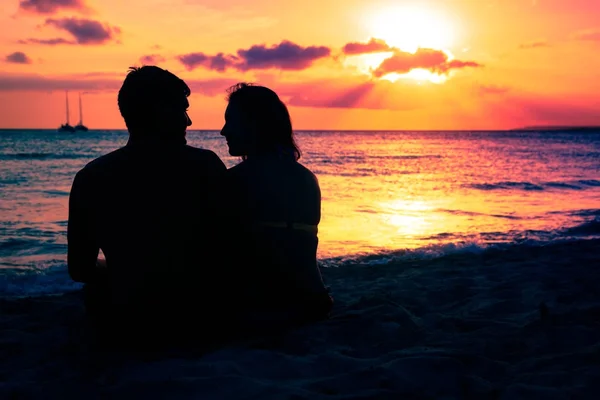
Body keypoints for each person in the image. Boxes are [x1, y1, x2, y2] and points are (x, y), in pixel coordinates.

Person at [67, 66, 227, 342]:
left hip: (127, 320)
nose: (188, 122)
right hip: (197, 319)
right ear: (162, 112)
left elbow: (80, 270)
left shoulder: (90, 178)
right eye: (182, 110)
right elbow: (231, 251)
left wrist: (125, 266)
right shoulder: (205, 167)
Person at [220, 82, 333, 330]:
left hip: (267, 310)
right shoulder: (307, 178)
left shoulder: (235, 180)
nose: (223, 131)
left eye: (231, 122)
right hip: (316, 303)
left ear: (253, 126)